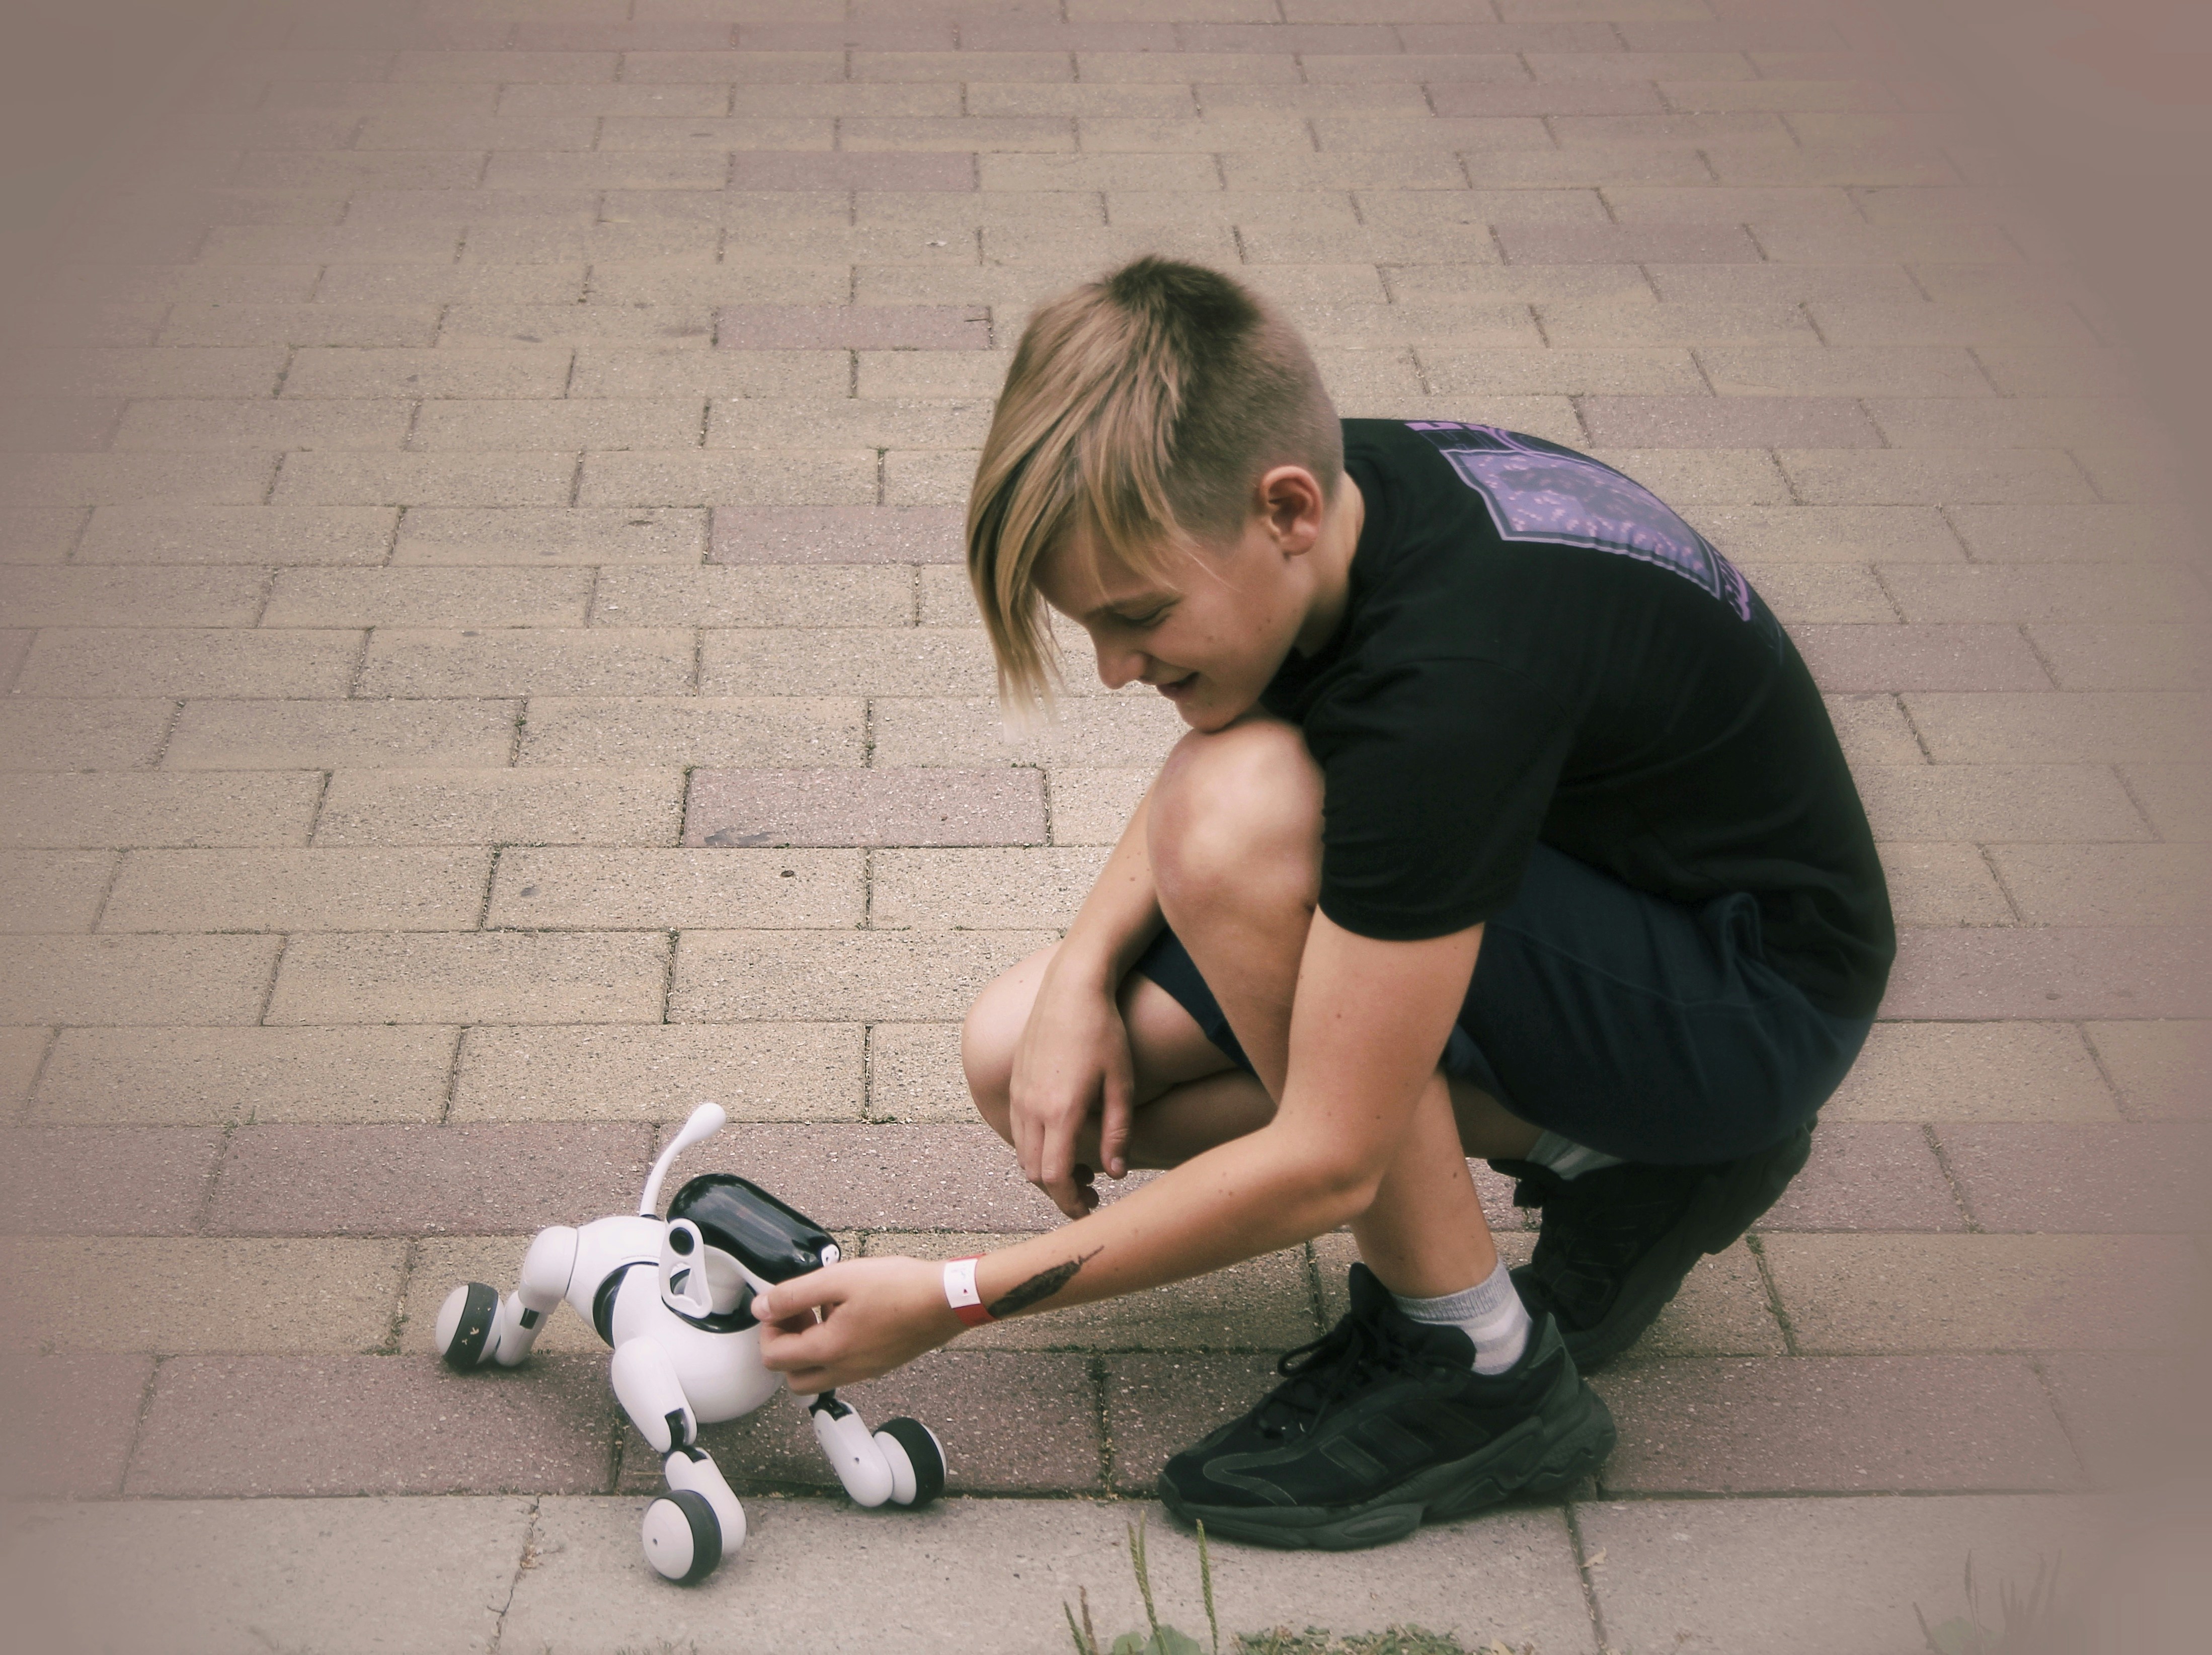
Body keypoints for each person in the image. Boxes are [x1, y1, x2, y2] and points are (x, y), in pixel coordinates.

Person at [754, 258, 1894, 1551]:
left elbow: (1326, 1158)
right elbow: (1233, 755)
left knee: (1237, 817)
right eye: (1090, 628)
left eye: (1138, 615)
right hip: (1594, 902)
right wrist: (1081, 973)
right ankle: (1609, 1156)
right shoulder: (1316, 495)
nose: (1115, 669)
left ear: (1285, 511)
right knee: (1023, 1053)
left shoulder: (1446, 680)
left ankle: (1476, 1366)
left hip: (1749, 1005)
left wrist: (952, 1298)